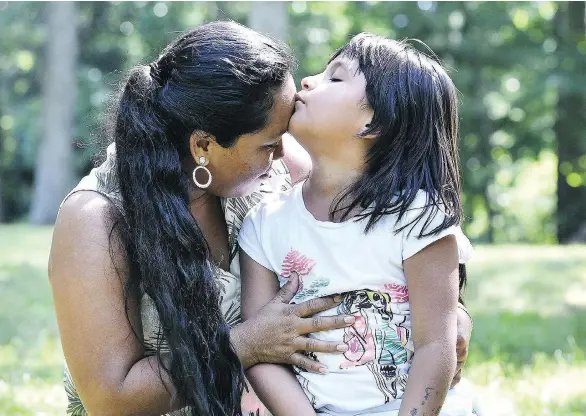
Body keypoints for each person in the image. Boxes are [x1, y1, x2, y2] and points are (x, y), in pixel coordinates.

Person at [48, 21, 473, 416]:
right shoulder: (96, 220)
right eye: (270, 144)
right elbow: (109, 398)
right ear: (204, 146)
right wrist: (244, 345)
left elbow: (386, 260)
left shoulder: (281, 176)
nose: (283, 155)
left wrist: (448, 322)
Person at [239, 34, 478, 415]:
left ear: (375, 120)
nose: (306, 81)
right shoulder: (264, 224)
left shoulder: (418, 218)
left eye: (335, 77)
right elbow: (262, 351)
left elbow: (437, 344)